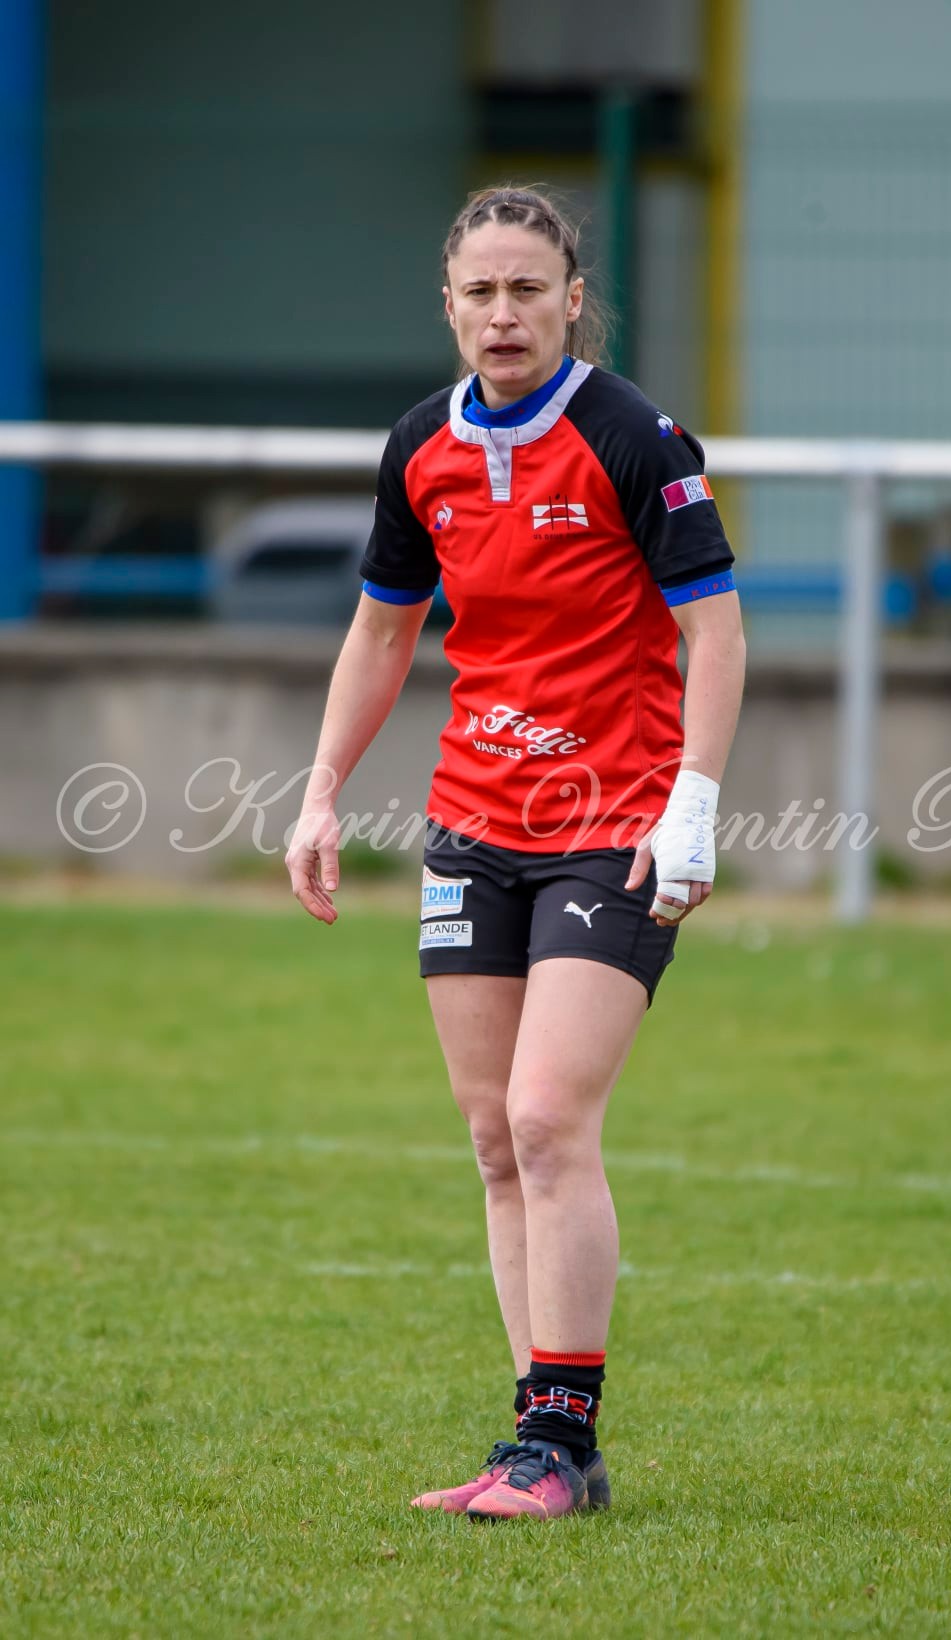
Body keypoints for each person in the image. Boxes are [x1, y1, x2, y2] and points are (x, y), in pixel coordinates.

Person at [286, 186, 745, 1521]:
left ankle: (557, 1441)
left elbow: (712, 632)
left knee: (550, 1120)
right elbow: (383, 632)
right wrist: (320, 795)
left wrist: (693, 806)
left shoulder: (631, 434)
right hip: (472, 825)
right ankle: (543, 1452)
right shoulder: (419, 446)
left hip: (615, 829)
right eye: (479, 291)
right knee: (494, 1140)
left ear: (569, 300)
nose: (503, 313)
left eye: (526, 291)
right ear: (448, 303)